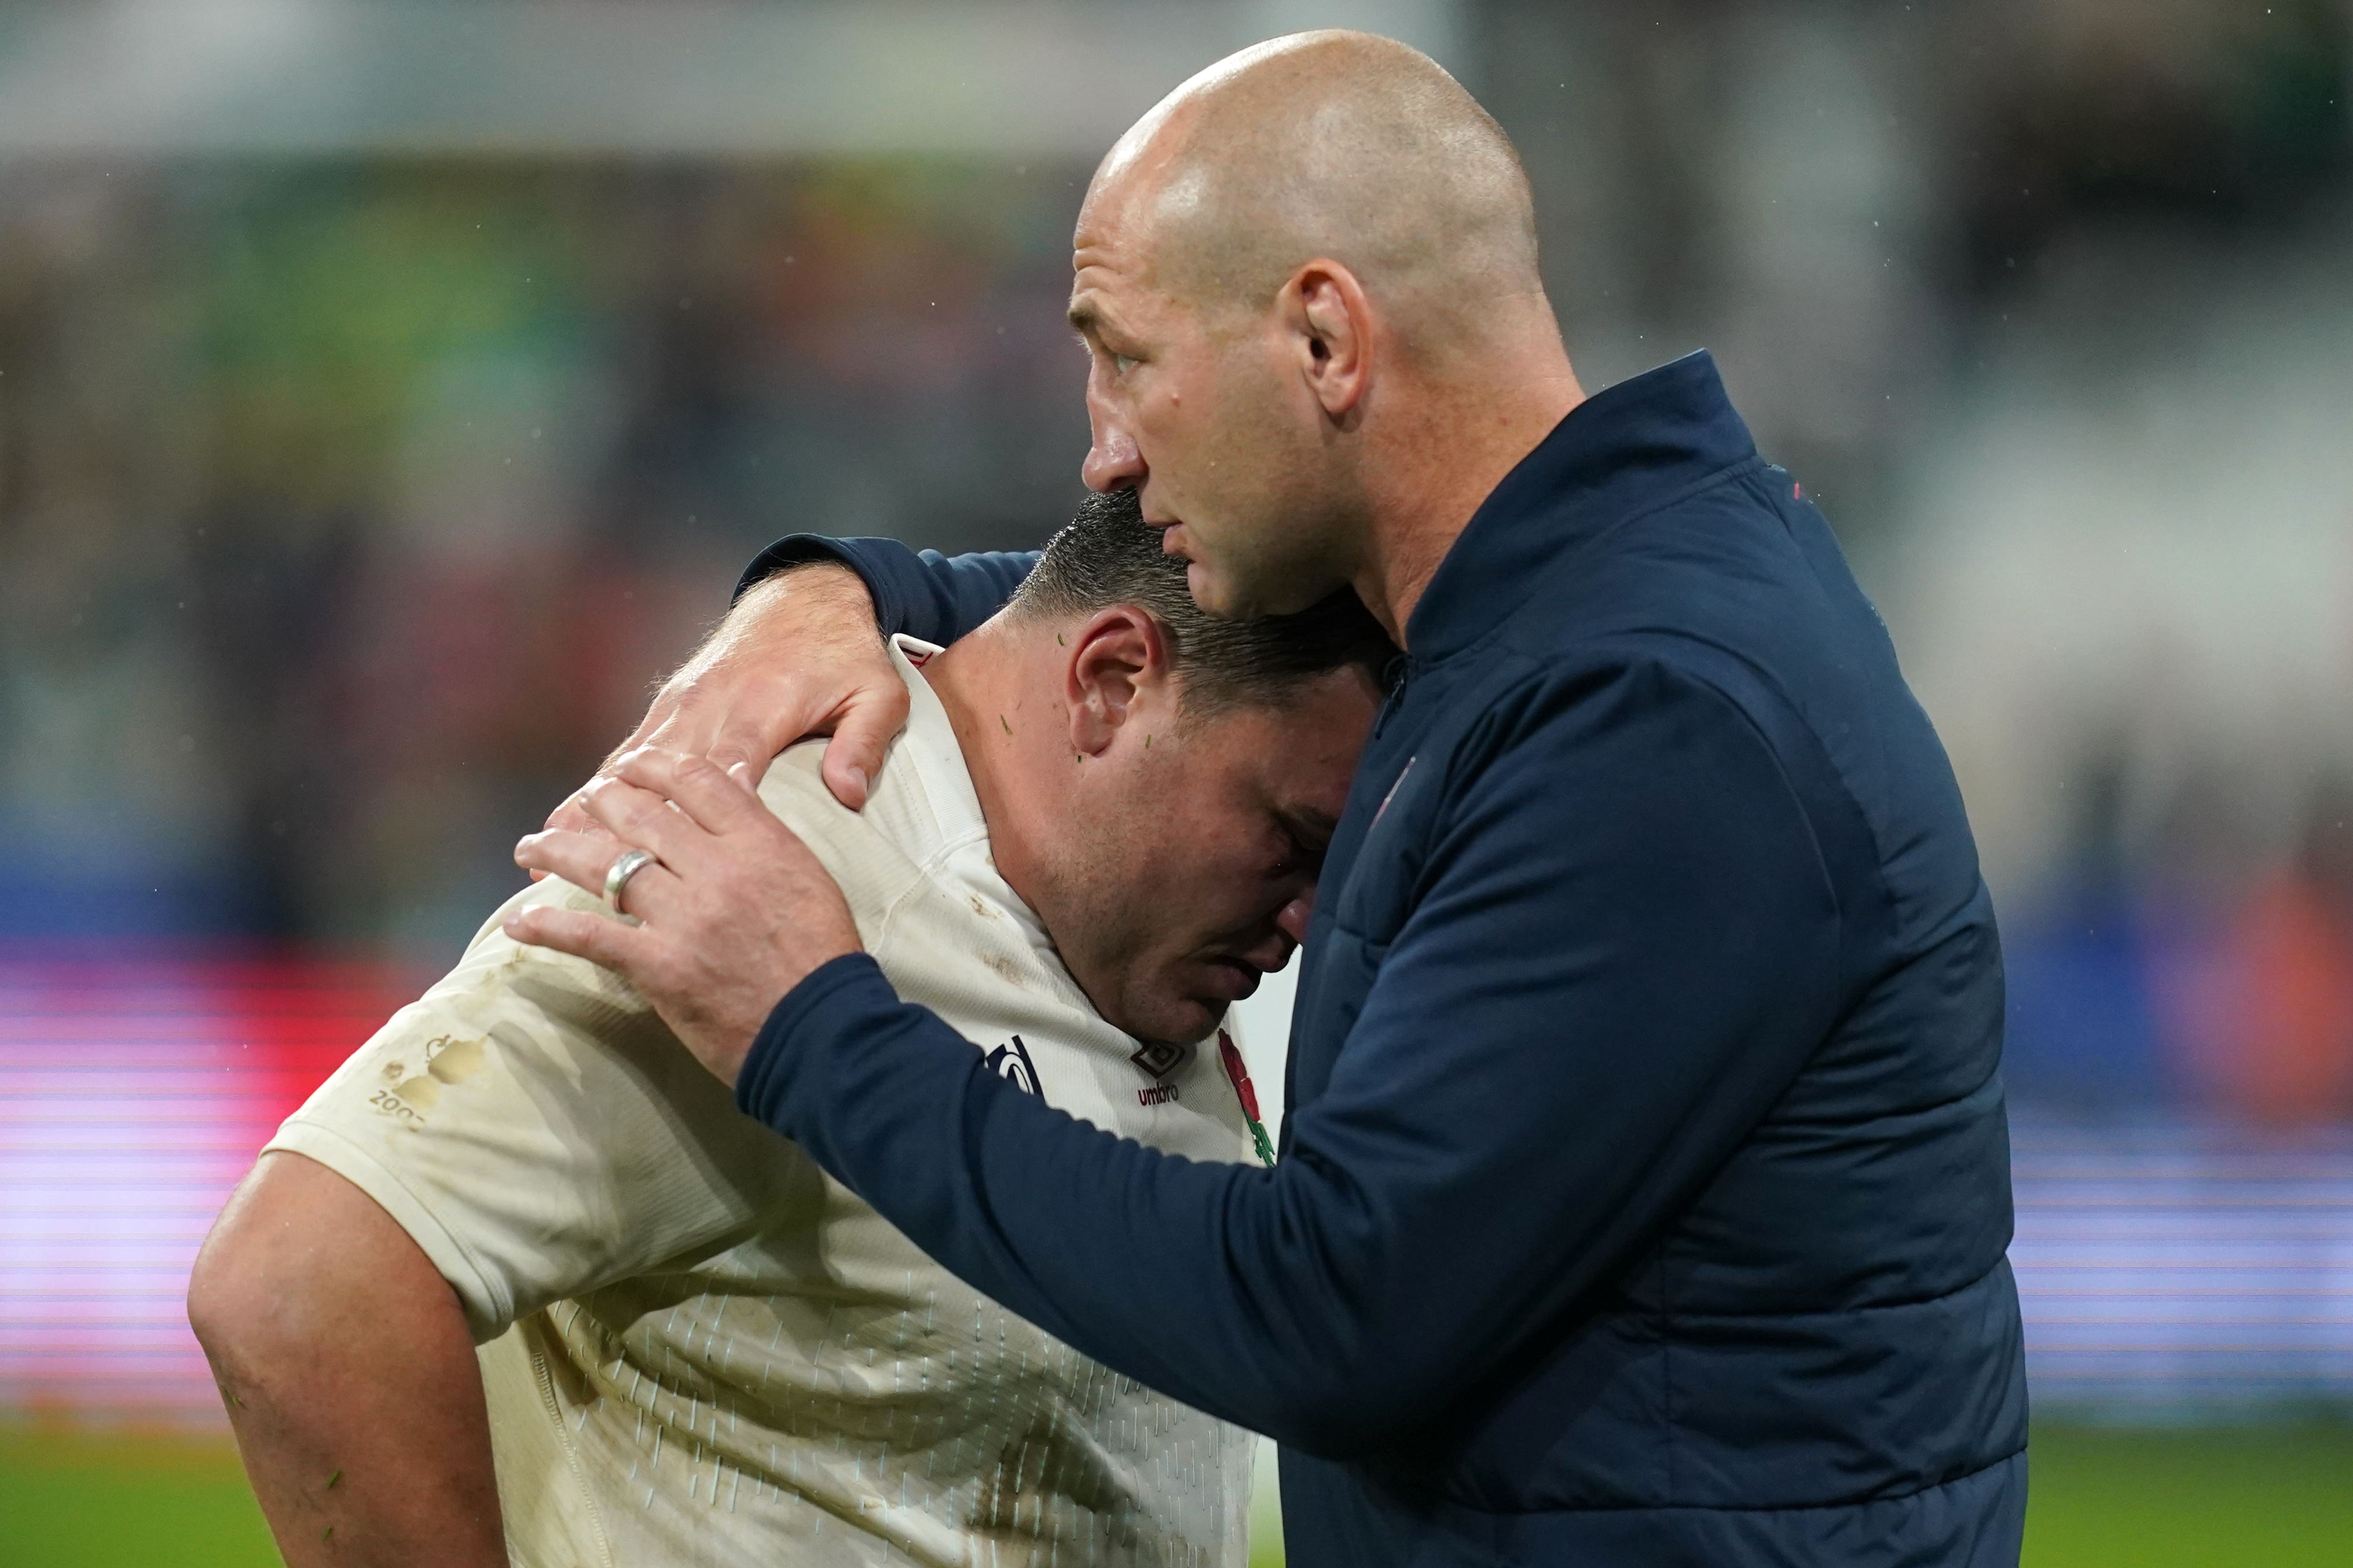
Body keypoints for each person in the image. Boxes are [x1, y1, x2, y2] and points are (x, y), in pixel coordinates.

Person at [521, 30, 2029, 1568]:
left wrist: (810, 1023)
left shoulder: (1654, 716)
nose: (1104, 442)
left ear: (1324, 340)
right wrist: (845, 586)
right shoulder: (1566, 608)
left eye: (1127, 355)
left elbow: (1330, 1307)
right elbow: (1129, 618)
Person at [186, 489, 1391, 1568]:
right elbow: (298, 1283)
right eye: (1289, 838)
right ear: (1111, 684)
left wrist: (832, 579)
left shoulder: (1125, 920)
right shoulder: (769, 868)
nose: (1309, 914)